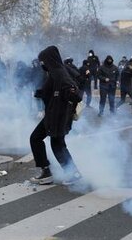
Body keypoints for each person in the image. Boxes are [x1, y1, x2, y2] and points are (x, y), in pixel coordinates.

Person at [30, 46, 83, 186]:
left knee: (36, 138)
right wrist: (40, 93)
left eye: (43, 61)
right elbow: (51, 91)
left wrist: (70, 94)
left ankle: (46, 172)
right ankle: (73, 173)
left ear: (49, 60)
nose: (42, 65)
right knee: (57, 144)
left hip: (57, 116)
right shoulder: (57, 72)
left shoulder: (59, 73)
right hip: (57, 115)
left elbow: (73, 92)